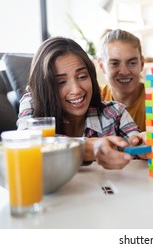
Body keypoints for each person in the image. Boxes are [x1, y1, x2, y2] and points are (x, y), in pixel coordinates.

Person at [17, 36, 144, 169]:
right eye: (61, 82)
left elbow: (136, 143)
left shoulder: (115, 112)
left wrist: (144, 146)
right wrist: (85, 148)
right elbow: (24, 144)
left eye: (82, 77)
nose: (76, 90)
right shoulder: (32, 104)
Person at [98, 29, 146, 131]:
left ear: (141, 63)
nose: (124, 72)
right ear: (102, 66)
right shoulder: (94, 99)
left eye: (132, 63)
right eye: (115, 63)